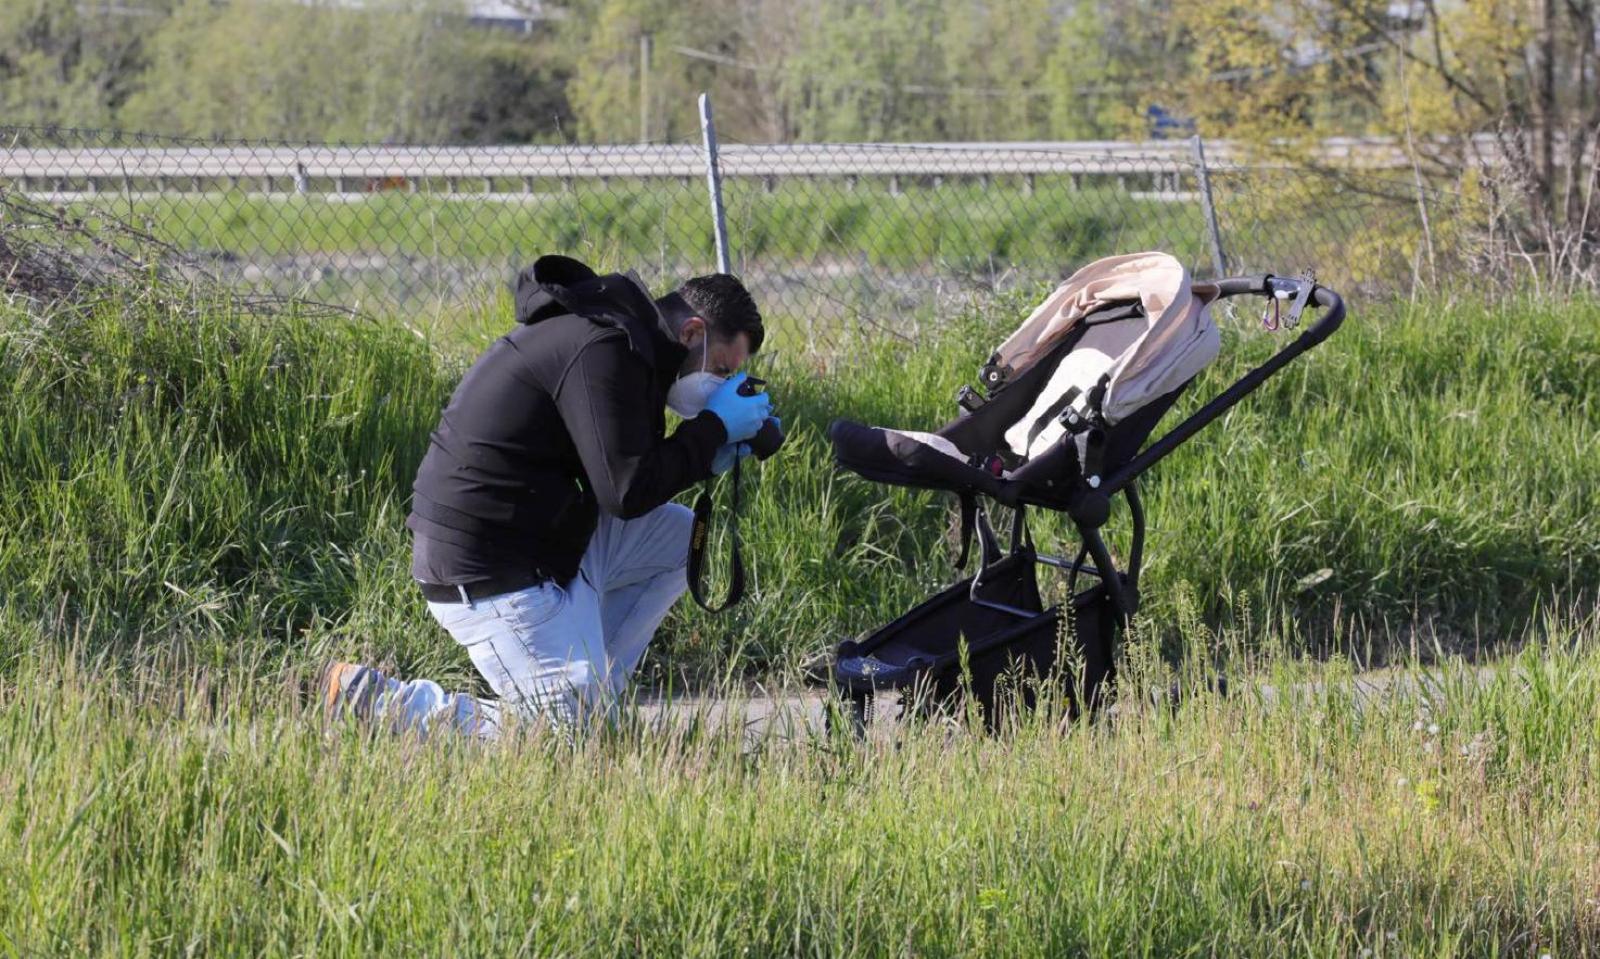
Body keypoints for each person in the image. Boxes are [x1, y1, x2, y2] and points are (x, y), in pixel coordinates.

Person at [319, 254, 773, 737]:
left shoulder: (631, 347)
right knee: (568, 737)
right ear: (692, 333)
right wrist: (711, 428)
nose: (719, 386)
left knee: (681, 539)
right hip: (483, 564)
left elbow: (626, 474)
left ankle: (592, 699)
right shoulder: (606, 348)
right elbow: (626, 491)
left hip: (536, 542)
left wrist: (710, 450)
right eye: (721, 369)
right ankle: (377, 702)